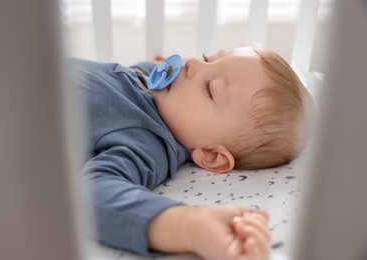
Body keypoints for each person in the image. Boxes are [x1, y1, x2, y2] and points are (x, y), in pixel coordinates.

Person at [68, 46, 314, 260]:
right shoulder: (158, 90)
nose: (193, 63)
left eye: (209, 89)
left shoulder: (143, 142)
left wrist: (187, 225)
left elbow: (94, 195)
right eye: (209, 58)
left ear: (210, 154)